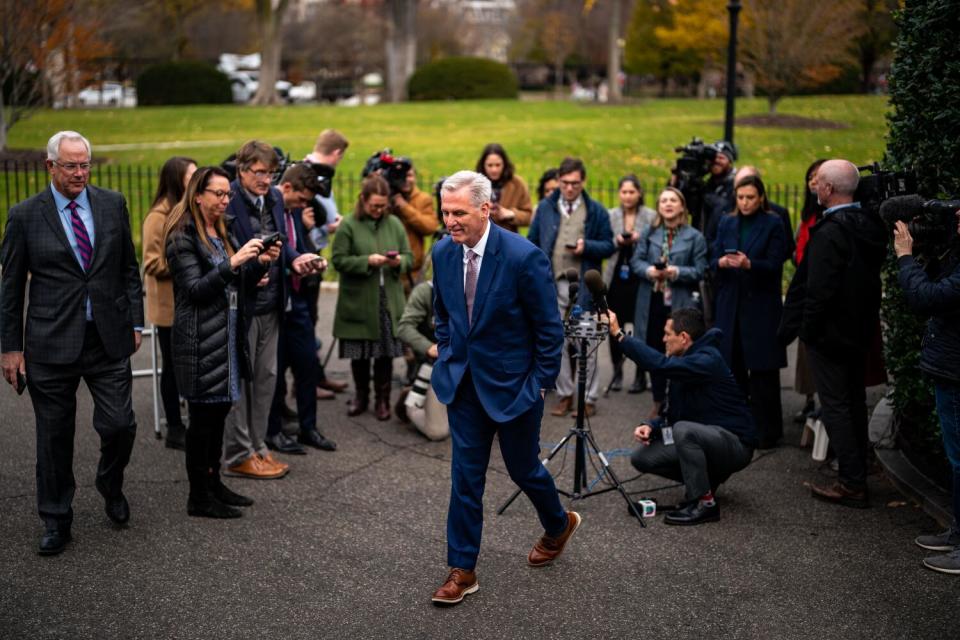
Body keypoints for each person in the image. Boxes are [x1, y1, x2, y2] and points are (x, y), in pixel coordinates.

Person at [430, 170, 579, 606]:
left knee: (524, 469)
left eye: (458, 212)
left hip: (516, 389)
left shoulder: (522, 256)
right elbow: (443, 313)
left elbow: (549, 332)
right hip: (464, 386)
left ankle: (558, 525)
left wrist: (537, 387)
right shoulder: (442, 253)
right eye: (445, 211)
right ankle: (462, 570)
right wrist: (447, 348)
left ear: (485, 209)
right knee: (465, 479)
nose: (450, 221)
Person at [0, 131, 143, 555]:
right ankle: (56, 518)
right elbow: (10, 290)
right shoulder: (25, 215)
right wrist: (10, 348)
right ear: (50, 167)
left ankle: (109, 482)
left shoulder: (112, 203)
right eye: (71, 166)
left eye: (85, 165)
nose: (80, 173)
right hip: (50, 343)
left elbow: (128, 269)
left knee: (121, 425)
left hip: (107, 338)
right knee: (53, 438)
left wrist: (135, 318)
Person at [163, 167, 280, 518]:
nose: (224, 200)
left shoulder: (221, 229)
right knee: (202, 422)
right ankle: (198, 497)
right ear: (197, 195)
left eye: (226, 194)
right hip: (200, 340)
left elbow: (233, 282)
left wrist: (258, 265)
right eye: (217, 194)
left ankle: (214, 484)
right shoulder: (181, 236)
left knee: (217, 416)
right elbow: (196, 290)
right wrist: (233, 263)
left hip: (226, 335)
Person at [779, 159, 888, 508]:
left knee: (837, 406)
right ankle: (860, 465)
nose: (815, 189)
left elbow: (818, 291)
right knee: (853, 400)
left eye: (818, 184)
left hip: (830, 334)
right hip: (860, 329)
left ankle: (852, 482)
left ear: (827, 189)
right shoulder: (870, 223)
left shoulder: (830, 232)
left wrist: (807, 333)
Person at [222, 140, 324, 480]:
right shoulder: (227, 200)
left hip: (275, 305)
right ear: (242, 170)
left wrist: (297, 259)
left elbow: (282, 242)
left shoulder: (277, 198)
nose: (266, 179)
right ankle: (238, 454)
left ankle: (259, 446)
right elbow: (222, 254)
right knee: (241, 384)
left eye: (270, 173)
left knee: (266, 380)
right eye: (259, 172)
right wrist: (249, 272)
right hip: (242, 305)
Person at [607, 307, 757, 525]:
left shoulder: (707, 359)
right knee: (641, 457)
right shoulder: (685, 361)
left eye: (668, 334)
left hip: (735, 444)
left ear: (684, 337)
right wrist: (651, 426)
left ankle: (705, 504)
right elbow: (673, 417)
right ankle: (705, 482)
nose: (663, 339)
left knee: (684, 431)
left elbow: (659, 365)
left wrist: (620, 336)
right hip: (706, 437)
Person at [894, 209, 960, 575]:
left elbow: (927, 297)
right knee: (956, 459)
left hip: (956, 370)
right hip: (950, 369)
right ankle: (956, 533)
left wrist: (905, 256)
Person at [527, 156, 615, 417]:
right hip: (552, 286)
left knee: (585, 340)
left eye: (574, 183)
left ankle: (588, 398)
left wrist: (586, 246)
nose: (569, 188)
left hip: (584, 289)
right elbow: (532, 241)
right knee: (558, 342)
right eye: (564, 183)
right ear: (558, 181)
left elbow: (609, 245)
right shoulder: (545, 207)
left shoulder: (596, 210)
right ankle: (564, 394)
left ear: (583, 181)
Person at [265, 163, 337, 455]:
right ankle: (274, 431)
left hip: (299, 300)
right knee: (276, 369)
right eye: (302, 199)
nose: (304, 205)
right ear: (287, 188)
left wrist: (312, 259)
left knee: (308, 363)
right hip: (274, 301)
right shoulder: (269, 210)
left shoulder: (295, 210)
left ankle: (309, 428)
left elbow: (299, 246)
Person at [712, 175, 788, 448]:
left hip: (760, 307)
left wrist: (749, 264)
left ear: (761, 198)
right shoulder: (727, 221)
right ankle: (738, 427)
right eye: (741, 197)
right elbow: (712, 257)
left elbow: (776, 263)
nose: (744, 203)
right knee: (733, 369)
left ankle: (768, 431)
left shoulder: (773, 223)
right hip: (731, 305)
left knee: (763, 374)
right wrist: (721, 262)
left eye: (750, 198)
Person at [332, 175, 413, 421]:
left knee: (385, 354)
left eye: (382, 205)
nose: (379, 210)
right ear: (363, 200)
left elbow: (409, 257)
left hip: (388, 299)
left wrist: (399, 261)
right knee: (360, 354)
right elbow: (338, 260)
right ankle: (361, 396)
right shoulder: (348, 225)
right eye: (374, 205)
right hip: (358, 300)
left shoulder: (395, 224)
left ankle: (382, 400)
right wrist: (367, 261)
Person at [629, 187, 707, 420]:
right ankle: (658, 401)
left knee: (680, 352)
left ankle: (680, 402)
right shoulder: (649, 232)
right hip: (652, 300)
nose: (668, 204)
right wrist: (650, 271)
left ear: (682, 206)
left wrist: (676, 271)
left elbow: (701, 270)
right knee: (654, 349)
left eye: (673, 200)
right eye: (663, 201)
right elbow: (636, 262)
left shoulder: (695, 237)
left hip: (680, 303)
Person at [142, 156, 196, 450]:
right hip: (169, 307)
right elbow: (151, 263)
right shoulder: (158, 217)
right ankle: (174, 427)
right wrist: (188, 266)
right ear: (177, 180)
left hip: (191, 301)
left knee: (188, 364)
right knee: (173, 368)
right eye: (191, 177)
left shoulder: (187, 210)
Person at [303, 128, 349, 397]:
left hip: (315, 248)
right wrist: (335, 226)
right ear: (336, 153)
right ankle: (307, 381)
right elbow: (318, 219)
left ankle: (316, 376)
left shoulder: (315, 172)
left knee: (311, 316)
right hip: (308, 251)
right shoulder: (312, 175)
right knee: (307, 318)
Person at [603, 175, 656, 393]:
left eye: (631, 192)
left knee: (641, 327)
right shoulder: (611, 215)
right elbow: (606, 243)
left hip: (639, 278)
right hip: (616, 277)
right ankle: (617, 372)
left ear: (640, 193)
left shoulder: (651, 216)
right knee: (614, 324)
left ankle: (640, 375)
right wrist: (618, 240)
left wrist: (638, 238)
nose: (627, 196)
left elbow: (654, 245)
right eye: (623, 192)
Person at [791, 159, 827, 422]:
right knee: (805, 353)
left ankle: (824, 404)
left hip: (821, 290)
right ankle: (809, 399)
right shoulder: (807, 215)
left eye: (818, 176)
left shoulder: (830, 215)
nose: (813, 181)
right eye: (810, 177)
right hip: (805, 288)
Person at [395, 274, 449, 440]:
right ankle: (411, 400)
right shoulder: (426, 291)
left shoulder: (478, 286)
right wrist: (429, 348)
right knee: (437, 432)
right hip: (437, 365)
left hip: (469, 366)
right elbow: (404, 327)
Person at [390, 158, 437, 285]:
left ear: (415, 176)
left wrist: (404, 207)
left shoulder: (423, 199)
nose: (405, 179)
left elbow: (430, 227)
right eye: (401, 175)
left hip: (413, 272)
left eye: (409, 175)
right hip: (387, 269)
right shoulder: (385, 197)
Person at [475, 143, 533, 234]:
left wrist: (510, 214)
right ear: (483, 165)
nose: (494, 170)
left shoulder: (517, 184)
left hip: (508, 238)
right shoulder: (475, 184)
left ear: (505, 164)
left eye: (498, 165)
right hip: (479, 237)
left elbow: (529, 216)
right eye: (490, 165)